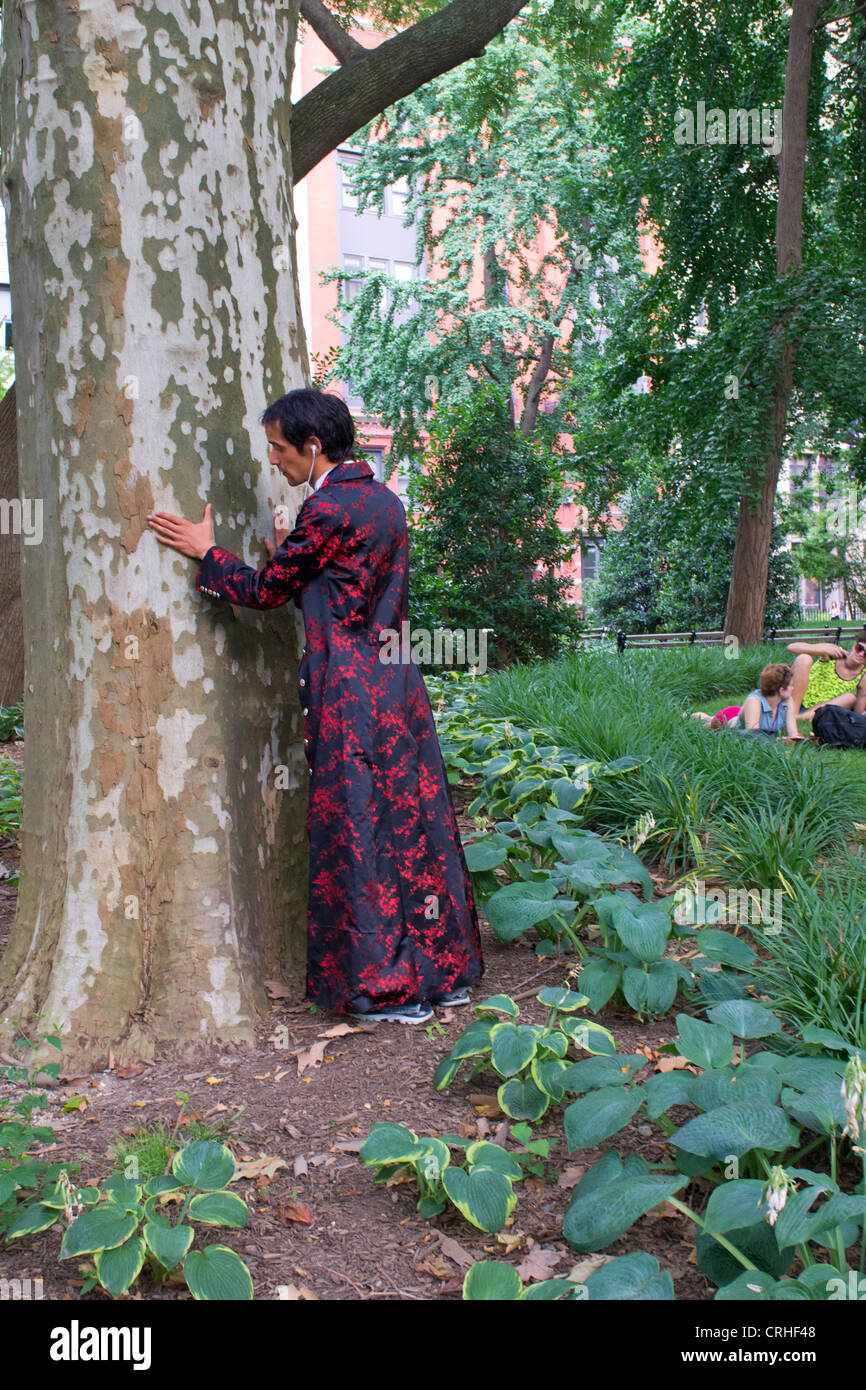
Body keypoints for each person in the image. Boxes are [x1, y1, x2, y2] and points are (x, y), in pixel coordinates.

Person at [147, 389, 483, 1025]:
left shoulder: (325, 508)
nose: (273, 459)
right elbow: (347, 589)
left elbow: (265, 591)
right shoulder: (385, 501)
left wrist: (206, 551)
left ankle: (389, 989)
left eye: (278, 448)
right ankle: (441, 974)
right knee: (411, 820)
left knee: (360, 827)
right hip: (397, 684)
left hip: (350, 691)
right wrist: (294, 552)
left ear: (313, 446)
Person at [784, 631, 866, 739]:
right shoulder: (835, 652)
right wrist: (822, 650)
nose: (861, 654)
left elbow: (858, 713)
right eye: (859, 648)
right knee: (804, 658)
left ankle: (797, 719)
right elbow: (791, 647)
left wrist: (862, 689)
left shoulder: (863, 676)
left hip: (820, 712)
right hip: (797, 698)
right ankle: (792, 714)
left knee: (850, 697)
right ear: (855, 644)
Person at [735, 663, 794, 737]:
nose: (793, 688)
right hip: (729, 717)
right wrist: (778, 741)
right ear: (781, 690)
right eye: (791, 685)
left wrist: (794, 738)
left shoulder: (788, 700)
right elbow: (753, 736)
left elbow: (793, 732)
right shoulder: (753, 702)